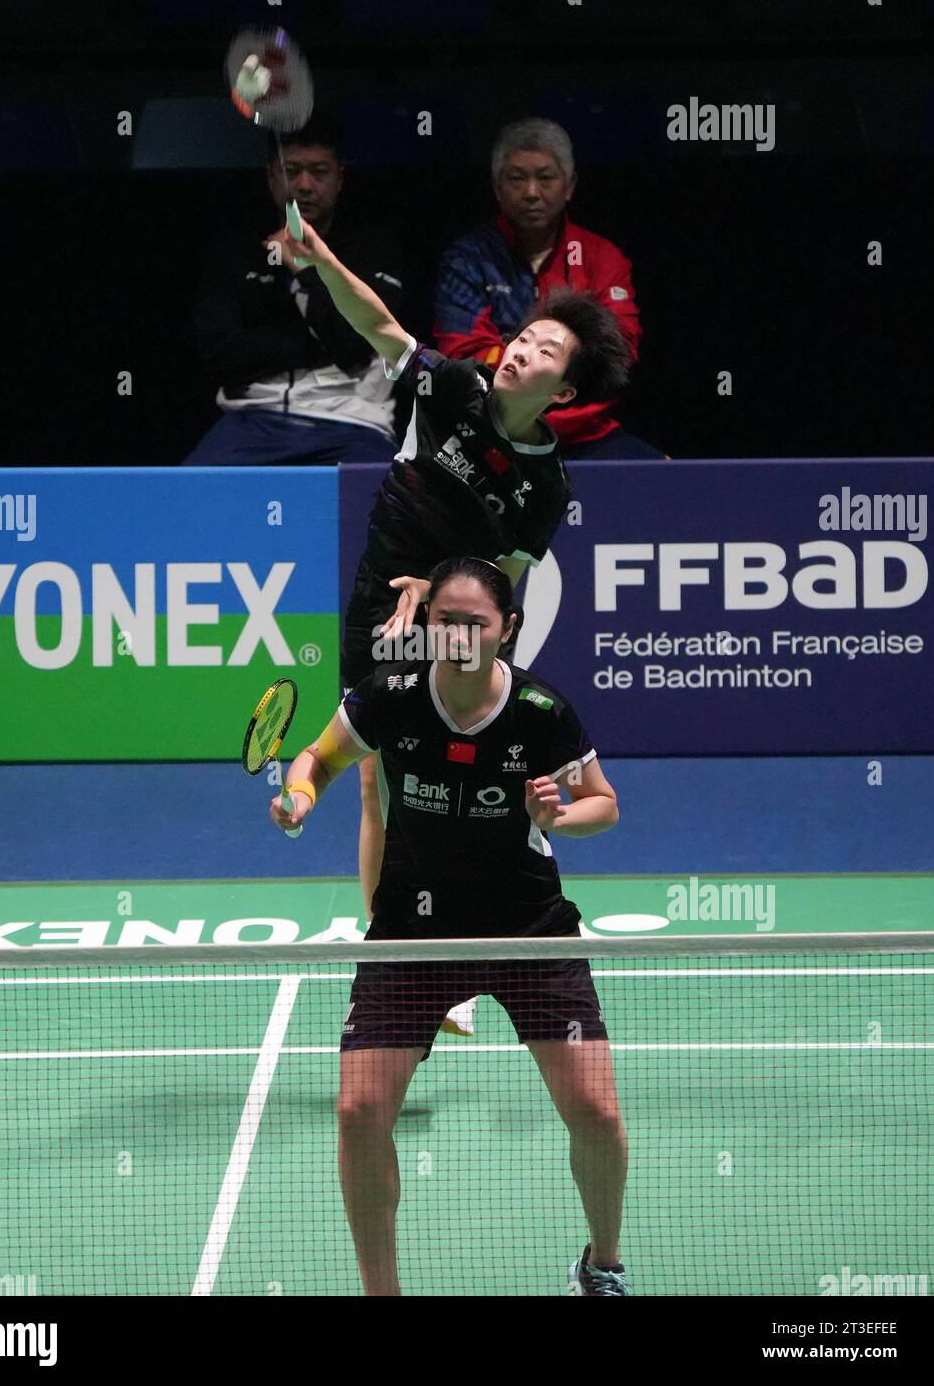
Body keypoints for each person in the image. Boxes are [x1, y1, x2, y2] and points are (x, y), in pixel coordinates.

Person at [270, 210, 631, 1037]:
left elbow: (504, 586)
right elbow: (379, 324)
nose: (523, 350)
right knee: (371, 776)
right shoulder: (451, 388)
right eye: (523, 336)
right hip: (376, 606)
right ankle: (398, 957)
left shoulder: (545, 489)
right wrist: (321, 251)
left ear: (563, 390)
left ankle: (483, 927)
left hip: (458, 626)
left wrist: (437, 597)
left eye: (545, 350)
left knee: (463, 786)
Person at [270, 556, 630, 1297]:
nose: (459, 635)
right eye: (445, 621)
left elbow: (604, 803)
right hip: (414, 933)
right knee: (359, 1110)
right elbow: (320, 756)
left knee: (594, 1111)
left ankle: (602, 1263)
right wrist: (301, 793)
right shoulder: (392, 694)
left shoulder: (538, 711)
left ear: (507, 630)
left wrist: (559, 815)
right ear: (426, 625)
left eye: (476, 623)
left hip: (527, 930)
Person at [434, 116, 666, 460]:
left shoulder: (603, 258)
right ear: (497, 188)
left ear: (569, 185)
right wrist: (555, 364)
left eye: (545, 178)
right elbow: (462, 358)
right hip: (493, 434)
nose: (531, 192)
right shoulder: (466, 259)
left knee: (664, 476)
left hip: (589, 434)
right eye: (517, 178)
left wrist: (510, 353)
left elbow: (617, 357)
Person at [185, 113, 403, 465]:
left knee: (389, 507)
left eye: (319, 172)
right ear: (272, 178)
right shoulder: (236, 253)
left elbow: (358, 345)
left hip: (353, 423)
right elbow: (219, 357)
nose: (304, 185)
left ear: (339, 179)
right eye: (292, 171)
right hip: (251, 423)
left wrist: (306, 273)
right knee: (184, 503)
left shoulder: (374, 251)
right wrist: (319, 343)